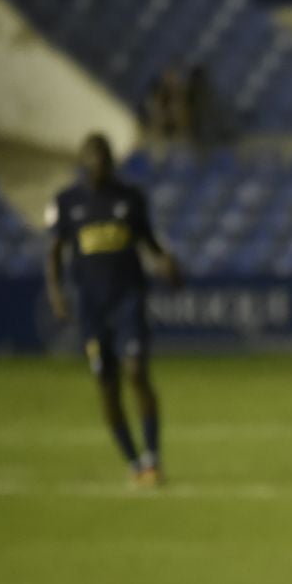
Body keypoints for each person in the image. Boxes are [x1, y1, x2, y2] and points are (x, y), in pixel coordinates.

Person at [45, 133, 178, 486]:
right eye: (93, 158)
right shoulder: (67, 202)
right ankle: (134, 462)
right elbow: (55, 251)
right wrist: (56, 293)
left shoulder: (130, 200)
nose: (99, 164)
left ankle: (152, 457)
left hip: (128, 299)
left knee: (136, 371)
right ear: (83, 161)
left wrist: (166, 264)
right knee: (107, 386)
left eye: (104, 158)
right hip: (92, 307)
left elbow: (150, 243)